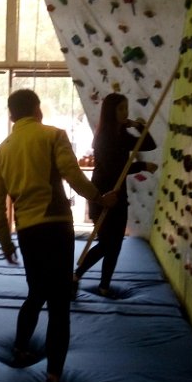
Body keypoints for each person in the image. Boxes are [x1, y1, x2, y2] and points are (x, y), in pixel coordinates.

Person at [0, 89, 117, 382]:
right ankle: (53, 381)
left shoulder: (3, 150)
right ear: (38, 110)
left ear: (11, 115)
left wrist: (6, 243)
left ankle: (20, 349)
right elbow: (72, 175)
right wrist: (100, 198)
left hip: (28, 231)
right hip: (56, 227)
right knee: (59, 304)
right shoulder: (53, 135)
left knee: (36, 292)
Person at [73, 92, 157, 297]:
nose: (125, 112)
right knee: (106, 244)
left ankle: (104, 286)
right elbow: (114, 170)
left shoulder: (122, 135)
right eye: (120, 108)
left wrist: (138, 126)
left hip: (119, 197)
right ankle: (75, 276)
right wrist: (142, 166)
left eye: (126, 108)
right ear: (111, 111)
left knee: (116, 244)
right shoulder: (103, 138)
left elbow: (149, 144)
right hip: (102, 197)